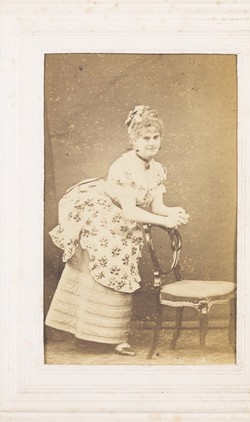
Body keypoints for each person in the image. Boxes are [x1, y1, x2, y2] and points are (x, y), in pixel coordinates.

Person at [45, 105, 189, 356]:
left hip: (126, 220)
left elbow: (158, 206)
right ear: (134, 140)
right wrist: (163, 222)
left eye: (156, 137)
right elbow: (130, 211)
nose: (152, 143)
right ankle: (87, 332)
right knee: (104, 265)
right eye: (146, 138)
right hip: (101, 216)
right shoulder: (123, 166)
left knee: (124, 268)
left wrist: (173, 212)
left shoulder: (157, 169)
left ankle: (116, 337)